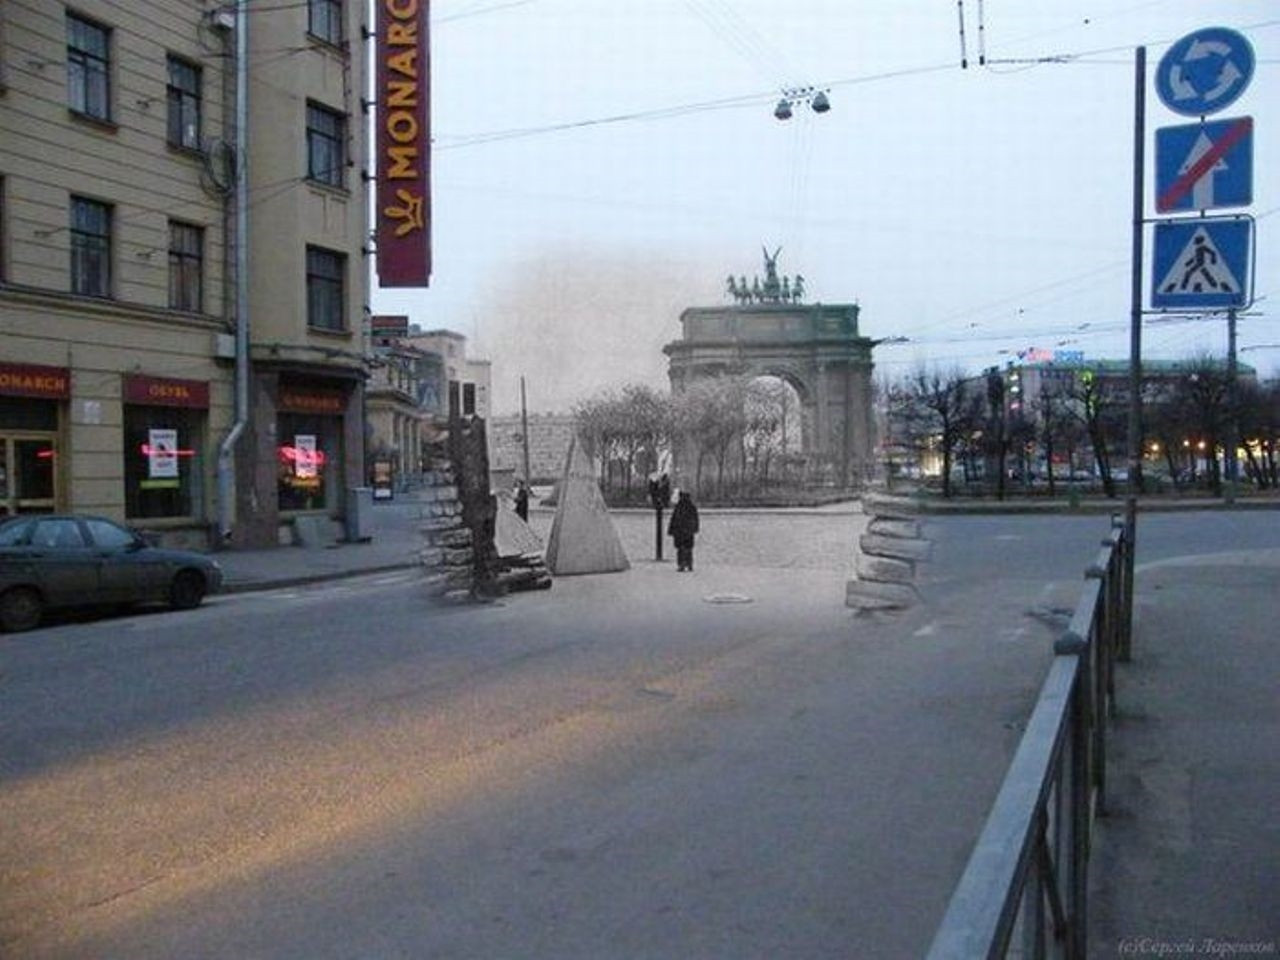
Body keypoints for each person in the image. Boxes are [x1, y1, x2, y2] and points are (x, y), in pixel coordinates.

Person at [667, 490, 700, 572]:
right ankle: (689, 564)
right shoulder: (692, 507)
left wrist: (671, 530)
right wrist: (695, 528)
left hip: (679, 532)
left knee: (680, 549)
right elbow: (696, 519)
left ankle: (681, 564)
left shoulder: (678, 507)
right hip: (689, 531)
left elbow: (674, 520)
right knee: (688, 548)